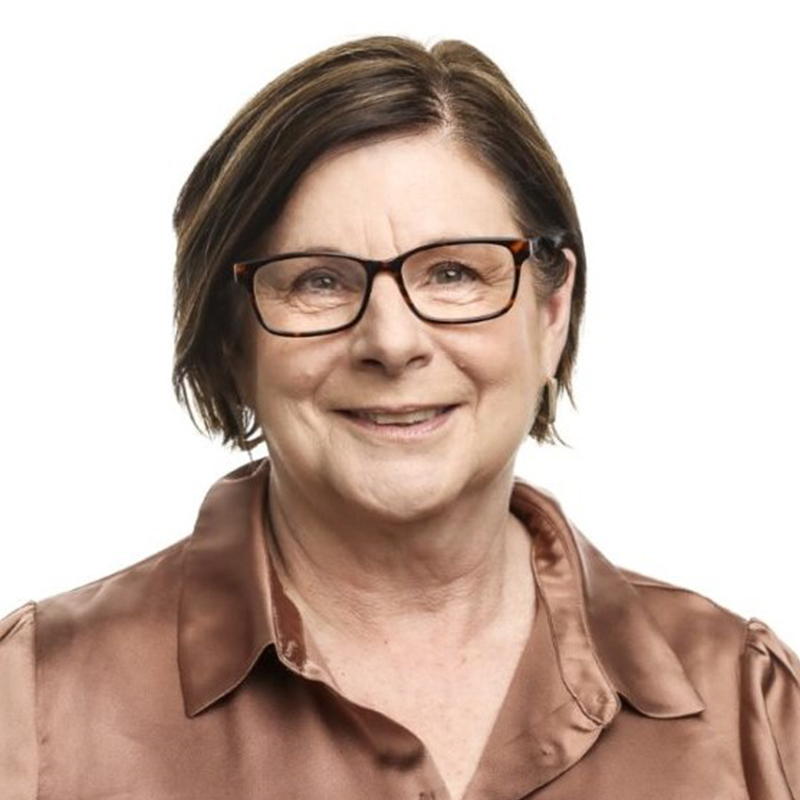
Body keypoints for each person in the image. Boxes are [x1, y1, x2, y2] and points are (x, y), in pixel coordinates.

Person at [1, 34, 797, 800]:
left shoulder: (748, 708)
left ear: (551, 314)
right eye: (318, 281)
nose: (391, 341)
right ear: (232, 338)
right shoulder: (35, 705)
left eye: (454, 273)